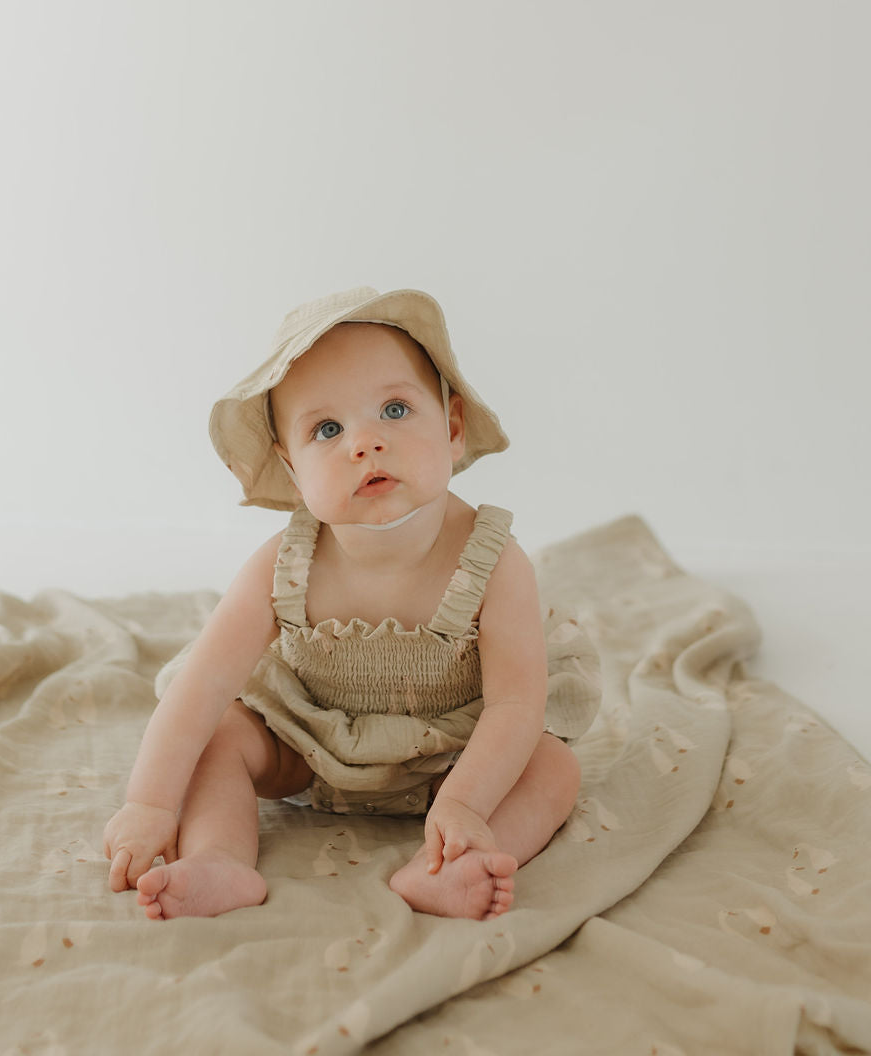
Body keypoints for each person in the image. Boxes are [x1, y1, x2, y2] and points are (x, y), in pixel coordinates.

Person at [103, 287, 594, 922]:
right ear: (291, 466)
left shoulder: (493, 561)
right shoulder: (282, 566)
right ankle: (220, 857)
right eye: (327, 429)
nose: (364, 443)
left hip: (455, 757)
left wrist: (468, 803)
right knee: (220, 734)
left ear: (451, 428)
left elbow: (513, 705)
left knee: (552, 767)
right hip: (306, 751)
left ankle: (449, 864)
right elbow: (199, 686)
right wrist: (148, 804)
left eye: (394, 409)